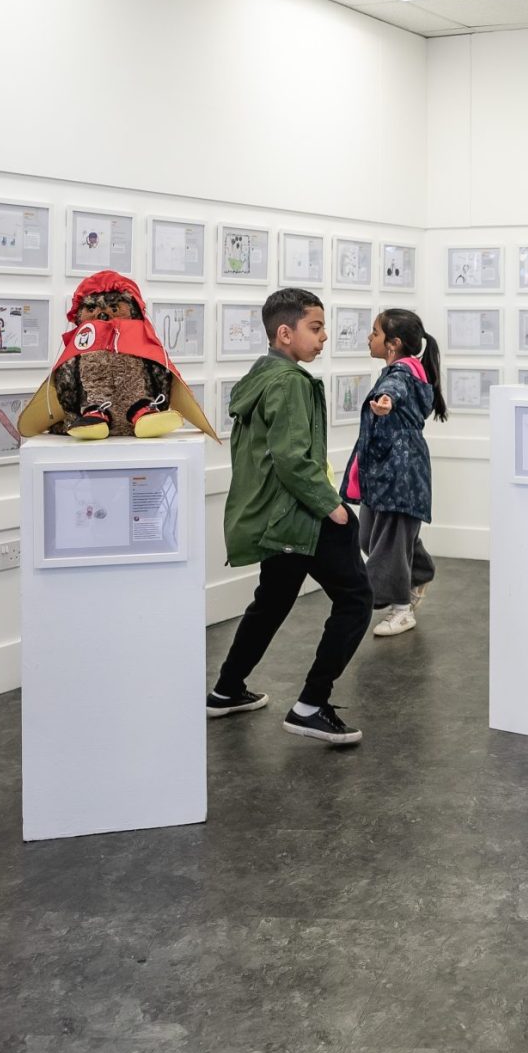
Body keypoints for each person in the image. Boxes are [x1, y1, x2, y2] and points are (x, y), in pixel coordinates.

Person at [208, 287, 369, 745]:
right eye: (315, 328)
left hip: (272, 518)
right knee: (357, 599)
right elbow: (293, 460)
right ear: (285, 333)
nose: (322, 339)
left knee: (273, 601)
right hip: (299, 516)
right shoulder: (292, 383)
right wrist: (334, 508)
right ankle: (310, 705)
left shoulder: (262, 375)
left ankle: (225, 690)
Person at [343, 308, 446, 637]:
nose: (369, 338)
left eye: (374, 332)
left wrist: (385, 401)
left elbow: (394, 392)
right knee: (369, 537)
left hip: (399, 474)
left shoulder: (400, 375)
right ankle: (420, 571)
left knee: (388, 545)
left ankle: (402, 610)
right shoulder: (407, 368)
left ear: (393, 343)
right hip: (386, 471)